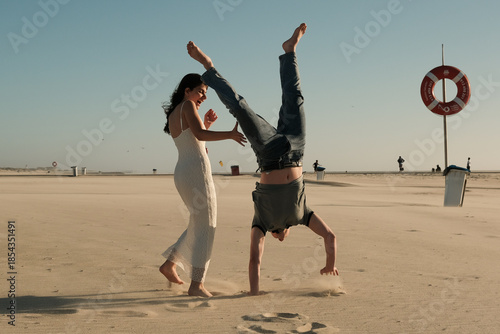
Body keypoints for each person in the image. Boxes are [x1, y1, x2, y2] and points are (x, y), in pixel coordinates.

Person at [187, 23, 339, 296]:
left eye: (278, 238)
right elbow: (330, 237)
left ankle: (208, 68)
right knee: (295, 98)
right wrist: (330, 264)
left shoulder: (261, 224)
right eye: (283, 237)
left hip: (268, 154)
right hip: (297, 148)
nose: (281, 238)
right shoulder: (302, 216)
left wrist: (254, 292)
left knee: (240, 108)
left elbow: (255, 260)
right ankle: (289, 51)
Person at [159, 72, 247, 297]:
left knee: (198, 222)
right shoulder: (188, 105)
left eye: (205, 93)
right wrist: (230, 134)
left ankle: (170, 265)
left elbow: (195, 141)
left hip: (183, 171)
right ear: (186, 90)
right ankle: (196, 285)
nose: (203, 96)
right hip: (196, 173)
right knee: (206, 226)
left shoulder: (177, 112)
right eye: (200, 91)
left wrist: (206, 123)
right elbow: (199, 134)